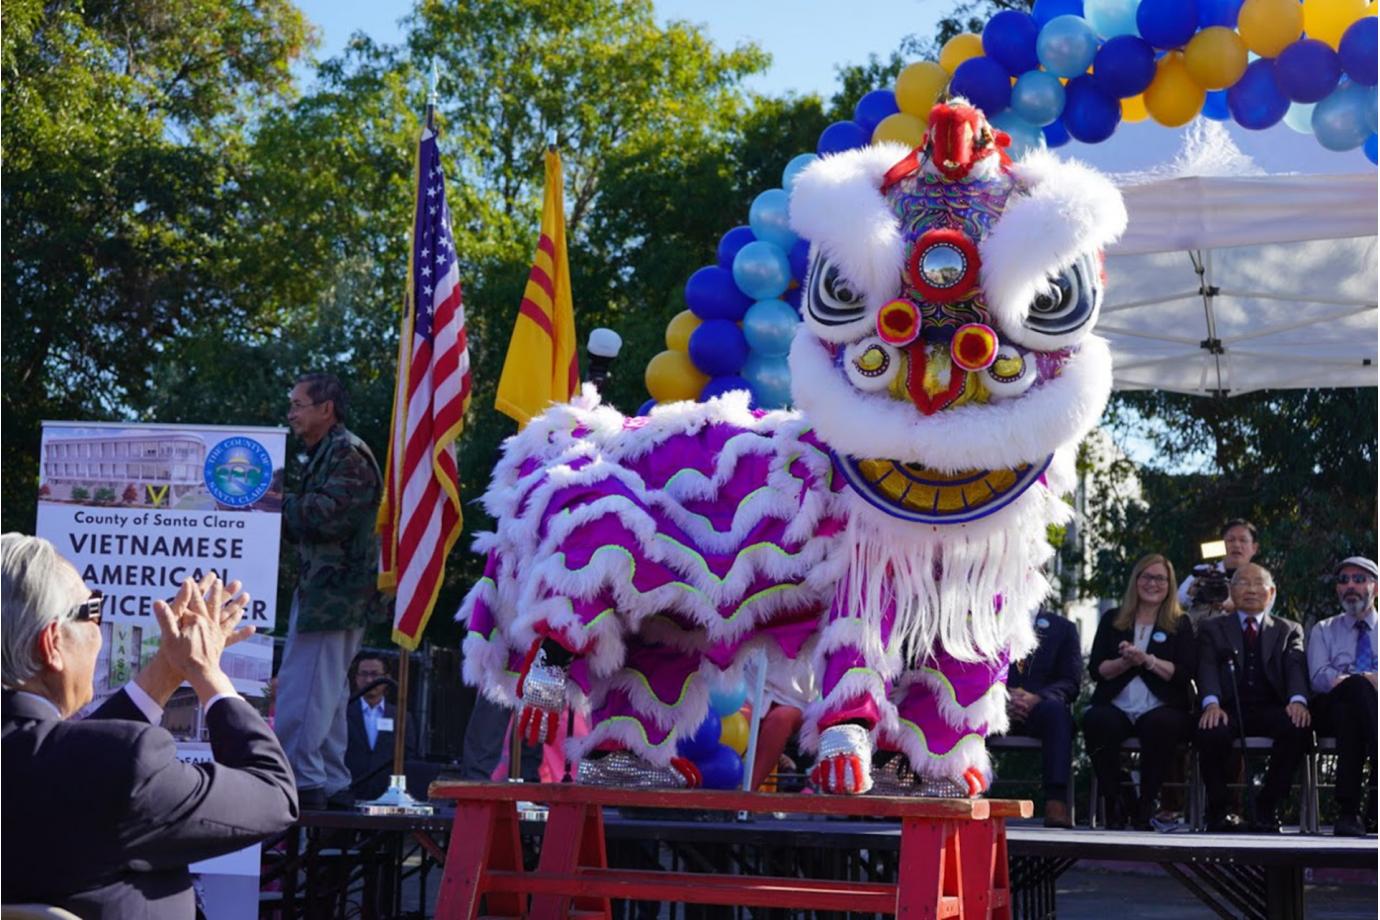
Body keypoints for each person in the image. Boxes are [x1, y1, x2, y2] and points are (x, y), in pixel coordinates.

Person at [1, 534, 296, 917]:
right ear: (52, 643)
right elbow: (273, 794)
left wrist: (168, 671)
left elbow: (59, 760)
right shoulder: (118, 768)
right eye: (93, 610)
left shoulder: (70, 763)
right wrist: (206, 672)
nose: (99, 628)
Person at [276, 372, 385, 810]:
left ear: (326, 409)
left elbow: (323, 517)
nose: (291, 414)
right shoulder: (327, 453)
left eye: (298, 405)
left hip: (334, 595)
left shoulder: (347, 454)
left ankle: (299, 779)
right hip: (327, 592)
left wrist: (270, 500)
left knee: (304, 690)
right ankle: (330, 780)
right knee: (328, 692)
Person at [1195, 563, 1311, 833]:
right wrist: (1211, 703)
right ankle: (1219, 810)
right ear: (1231, 590)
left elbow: (1295, 666)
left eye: (1258, 583)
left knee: (1298, 727)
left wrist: (1297, 701)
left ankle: (1267, 807)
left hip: (1271, 707)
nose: (1250, 590)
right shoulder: (1212, 628)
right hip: (1228, 707)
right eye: (1243, 583)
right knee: (1210, 729)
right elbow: (1207, 667)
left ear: (1271, 593)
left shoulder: (1288, 629)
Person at [1083, 555, 1196, 830]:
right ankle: (1114, 802)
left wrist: (1147, 660)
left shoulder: (1180, 623)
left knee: (1162, 724)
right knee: (1097, 720)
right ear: (1135, 581)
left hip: (1161, 706)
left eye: (1160, 578)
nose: (1152, 584)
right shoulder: (1113, 619)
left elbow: (1184, 674)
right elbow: (1097, 670)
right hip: (1117, 705)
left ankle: (1145, 805)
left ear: (1169, 585)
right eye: (1146, 577)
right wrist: (1125, 662)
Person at [1307, 556, 1377, 837]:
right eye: (1344, 580)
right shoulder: (1323, 629)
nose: (1350, 586)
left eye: (1359, 580)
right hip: (1329, 708)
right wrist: (1365, 679)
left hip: (1362, 714)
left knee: (1353, 715)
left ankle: (1348, 813)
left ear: (1376, 587)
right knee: (1356, 691)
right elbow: (1319, 676)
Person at [1004, 609, 1082, 828]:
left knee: (1057, 713)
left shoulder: (1063, 628)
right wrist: (1003, 697)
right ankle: (969, 793)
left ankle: (1056, 802)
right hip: (995, 706)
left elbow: (1070, 681)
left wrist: (1037, 698)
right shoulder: (987, 621)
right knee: (969, 711)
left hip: (1040, 708)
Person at [345, 653, 417, 800]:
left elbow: (409, 756)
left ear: (387, 678)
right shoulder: (342, 713)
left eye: (374, 674)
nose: (369, 680)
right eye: (363, 674)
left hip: (388, 795)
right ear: (356, 678)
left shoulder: (401, 716)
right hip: (348, 792)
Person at [1179, 519, 1260, 623]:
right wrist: (1193, 593)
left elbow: (1262, 610)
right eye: (1230, 540)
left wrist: (1236, 606)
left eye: (1243, 540)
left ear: (1254, 548)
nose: (1236, 545)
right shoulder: (1201, 571)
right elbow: (1177, 600)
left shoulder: (1262, 579)